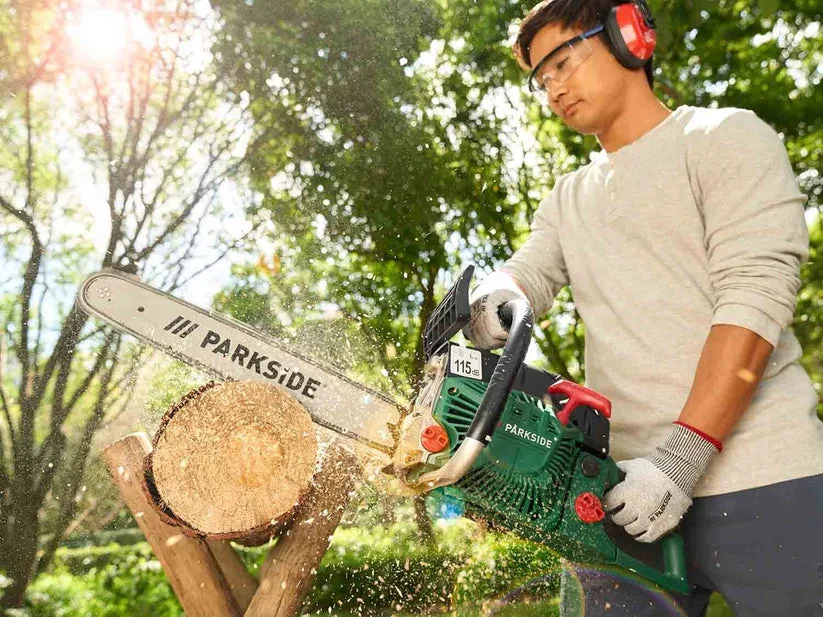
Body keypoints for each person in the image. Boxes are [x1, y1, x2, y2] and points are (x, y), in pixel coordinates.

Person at [461, 0, 823, 615]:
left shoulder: (722, 137)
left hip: (766, 479)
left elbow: (755, 296)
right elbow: (527, 272)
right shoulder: (569, 197)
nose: (554, 88)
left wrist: (680, 462)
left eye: (563, 61)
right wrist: (498, 296)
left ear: (629, 36)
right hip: (623, 499)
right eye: (541, 80)